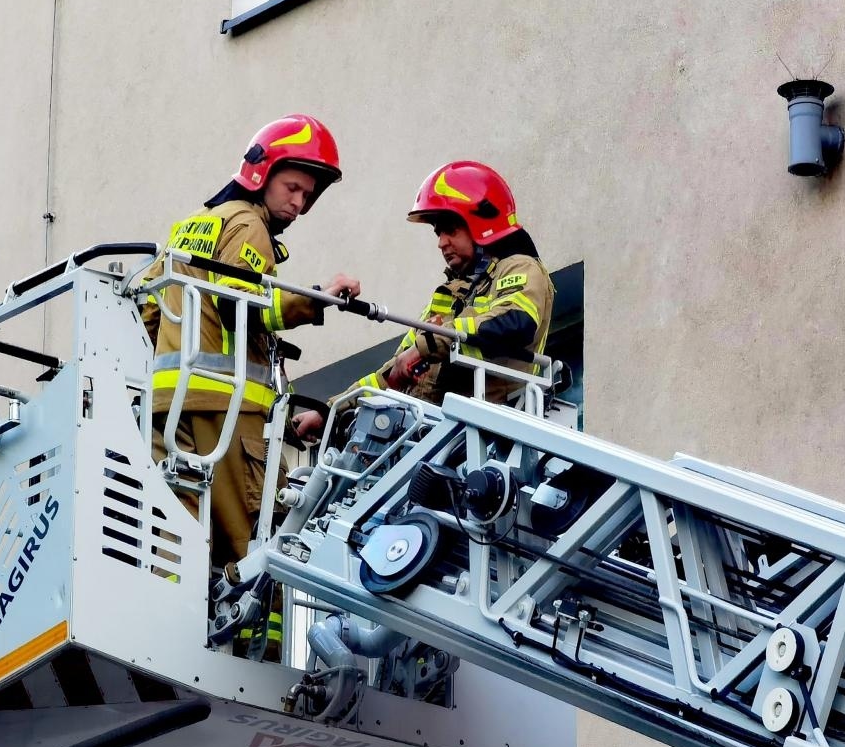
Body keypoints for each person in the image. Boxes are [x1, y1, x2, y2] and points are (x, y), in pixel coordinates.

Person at [149, 115, 359, 570]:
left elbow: (148, 314)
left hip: (170, 408)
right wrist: (318, 300)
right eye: (292, 188)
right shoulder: (248, 225)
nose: (299, 205)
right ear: (262, 173)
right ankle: (255, 645)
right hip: (227, 411)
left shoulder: (193, 227)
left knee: (183, 538)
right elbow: (239, 307)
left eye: (307, 195)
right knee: (255, 540)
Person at [291, 161, 553, 443]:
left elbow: (517, 322)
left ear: (480, 221)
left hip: (487, 437)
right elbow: (394, 370)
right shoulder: (449, 294)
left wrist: (429, 344)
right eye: (438, 233)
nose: (441, 242)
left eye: (450, 229)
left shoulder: (520, 268)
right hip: (436, 438)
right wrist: (329, 411)